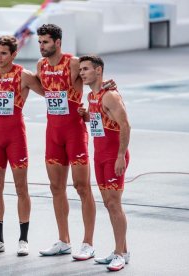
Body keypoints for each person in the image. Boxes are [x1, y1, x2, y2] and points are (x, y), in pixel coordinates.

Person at [0, 35, 44, 256]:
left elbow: (51, 92)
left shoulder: (24, 76)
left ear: (14, 54)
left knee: (21, 188)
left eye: (3, 53)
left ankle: (23, 239)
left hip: (16, 138)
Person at [36, 23, 97, 260]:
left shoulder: (73, 63)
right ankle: (63, 240)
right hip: (53, 133)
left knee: (82, 188)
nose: (41, 46)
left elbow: (94, 76)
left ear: (58, 42)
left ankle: (88, 242)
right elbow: (42, 89)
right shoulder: (40, 65)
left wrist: (104, 91)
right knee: (55, 188)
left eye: (46, 42)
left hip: (74, 132)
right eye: (40, 42)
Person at [78, 55, 131, 271]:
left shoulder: (110, 96)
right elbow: (102, 121)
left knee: (114, 204)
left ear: (98, 71)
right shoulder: (92, 96)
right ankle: (122, 250)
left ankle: (120, 253)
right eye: (80, 69)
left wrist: (120, 155)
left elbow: (125, 125)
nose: (82, 73)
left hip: (113, 156)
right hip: (99, 155)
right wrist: (87, 116)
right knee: (109, 204)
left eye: (86, 69)